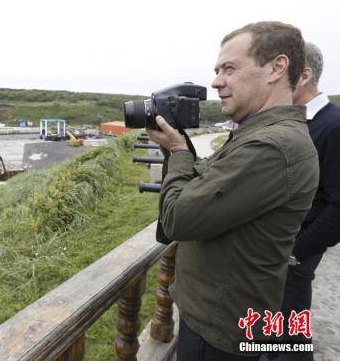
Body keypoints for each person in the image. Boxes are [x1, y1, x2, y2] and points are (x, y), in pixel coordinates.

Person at [145, 21, 319, 360]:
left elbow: (179, 217)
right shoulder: (259, 134)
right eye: (216, 70)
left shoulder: (272, 147)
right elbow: (207, 187)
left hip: (219, 330)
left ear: (276, 68)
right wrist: (179, 150)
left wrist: (179, 152)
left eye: (229, 68)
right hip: (223, 317)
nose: (216, 81)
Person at [268, 43, 340, 361]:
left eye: (280, 73)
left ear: (304, 75)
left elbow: (339, 207)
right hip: (278, 247)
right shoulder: (298, 122)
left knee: (291, 339)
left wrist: (296, 252)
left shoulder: (333, 126)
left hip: (295, 251)